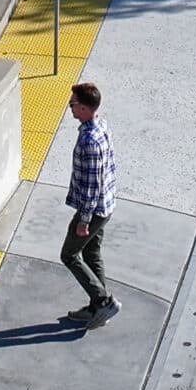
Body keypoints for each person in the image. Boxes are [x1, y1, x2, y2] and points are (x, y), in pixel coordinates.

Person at [61, 81, 118, 326]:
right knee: (92, 252)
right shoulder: (100, 126)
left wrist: (83, 221)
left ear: (84, 108)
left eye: (73, 104)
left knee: (70, 255)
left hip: (93, 210)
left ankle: (103, 301)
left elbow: (91, 186)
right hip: (106, 204)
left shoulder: (89, 142)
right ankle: (99, 308)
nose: (70, 107)